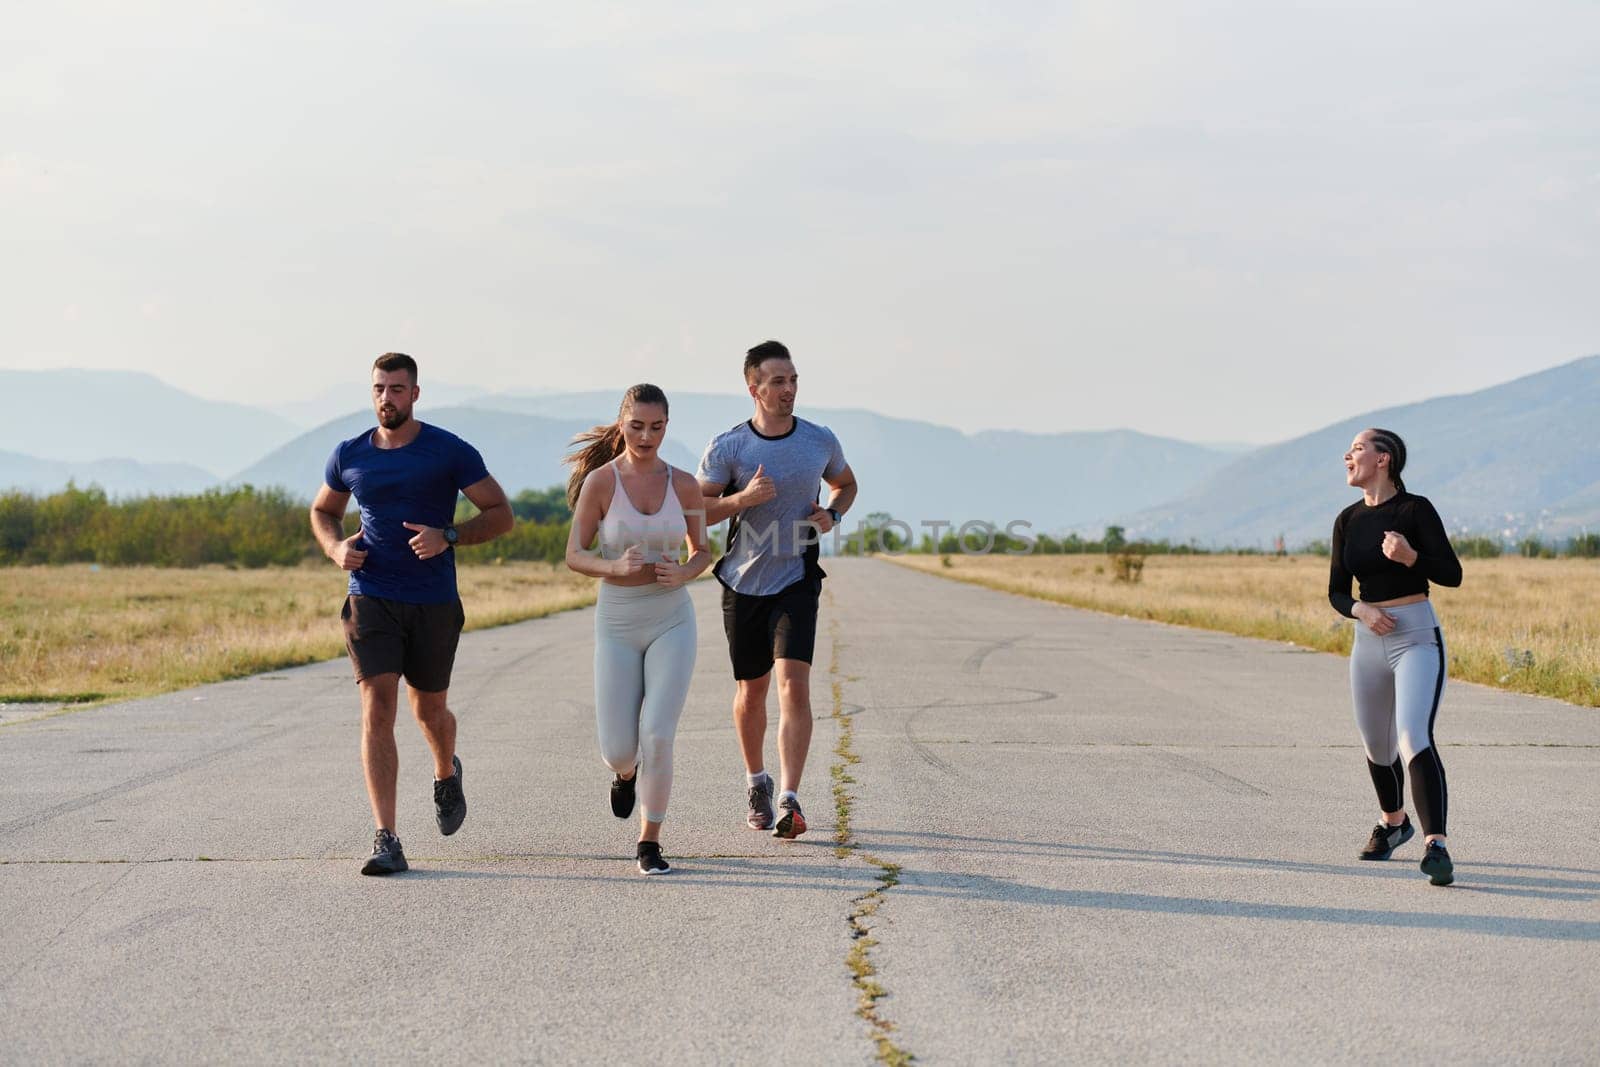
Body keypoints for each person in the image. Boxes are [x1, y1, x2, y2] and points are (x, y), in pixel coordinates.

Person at [310, 353, 513, 876]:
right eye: (379, 388)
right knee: (378, 709)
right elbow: (323, 511)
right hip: (371, 596)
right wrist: (335, 550)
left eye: (397, 389)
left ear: (415, 394)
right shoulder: (350, 453)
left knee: (429, 712)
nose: (387, 398)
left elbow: (500, 514)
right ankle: (387, 837)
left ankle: (446, 771)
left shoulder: (448, 450)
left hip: (433, 602)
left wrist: (448, 535)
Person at [697, 341, 858, 838]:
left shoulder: (819, 439)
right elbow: (696, 511)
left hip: (796, 577)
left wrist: (831, 514)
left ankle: (789, 798)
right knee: (752, 690)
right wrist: (743, 498)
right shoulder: (729, 447)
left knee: (793, 684)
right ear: (755, 389)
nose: (789, 390)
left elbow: (846, 484)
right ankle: (756, 781)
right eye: (778, 382)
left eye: (793, 380)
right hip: (743, 582)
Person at [564, 384, 711, 875]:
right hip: (619, 622)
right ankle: (624, 775)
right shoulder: (602, 484)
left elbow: (702, 551)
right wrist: (614, 568)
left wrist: (686, 572)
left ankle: (650, 842)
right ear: (621, 424)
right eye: (637, 426)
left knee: (658, 734)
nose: (647, 437)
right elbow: (574, 555)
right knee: (619, 749)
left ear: (667, 426)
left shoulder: (685, 485)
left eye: (657, 427)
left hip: (672, 617)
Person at [1329, 428, 1462, 886]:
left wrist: (1410, 558)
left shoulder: (1414, 509)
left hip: (1416, 638)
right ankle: (1393, 823)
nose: (1348, 456)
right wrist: (1360, 610)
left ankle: (1436, 845)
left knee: (1412, 737)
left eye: (1358, 449)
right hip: (1368, 641)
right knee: (1376, 745)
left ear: (1383, 459)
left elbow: (1452, 573)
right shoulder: (1347, 519)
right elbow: (1336, 592)